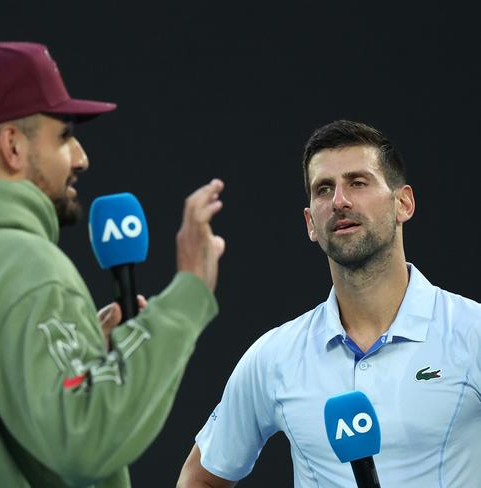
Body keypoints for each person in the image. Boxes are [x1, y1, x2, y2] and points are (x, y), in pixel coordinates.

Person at [0, 39, 226, 488]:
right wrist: (187, 293)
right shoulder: (23, 268)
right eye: (65, 136)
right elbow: (86, 440)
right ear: (12, 146)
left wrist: (83, 355)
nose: (81, 158)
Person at [177, 120, 481, 487]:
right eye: (324, 189)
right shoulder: (276, 356)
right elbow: (201, 478)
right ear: (310, 223)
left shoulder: (473, 332)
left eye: (358, 182)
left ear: (403, 203)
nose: (340, 201)